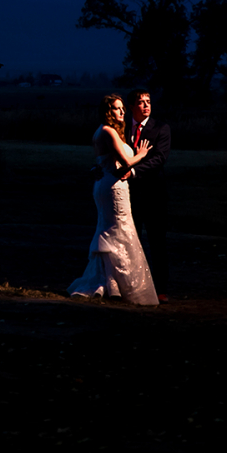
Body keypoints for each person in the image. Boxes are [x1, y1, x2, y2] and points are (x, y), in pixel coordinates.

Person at [68, 93, 158, 305]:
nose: (122, 112)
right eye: (117, 108)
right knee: (117, 229)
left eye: (122, 108)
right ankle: (117, 283)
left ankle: (111, 282)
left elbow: (101, 161)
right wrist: (142, 154)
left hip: (107, 184)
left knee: (111, 229)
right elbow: (127, 161)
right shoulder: (107, 131)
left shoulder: (105, 132)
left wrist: (97, 168)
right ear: (109, 112)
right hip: (113, 188)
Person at [123, 88, 171, 302]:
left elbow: (159, 158)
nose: (146, 105)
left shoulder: (160, 128)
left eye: (148, 101)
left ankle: (161, 289)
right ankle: (133, 287)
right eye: (141, 102)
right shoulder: (123, 129)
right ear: (131, 106)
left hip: (153, 193)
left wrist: (133, 171)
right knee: (131, 240)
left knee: (157, 241)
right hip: (128, 194)